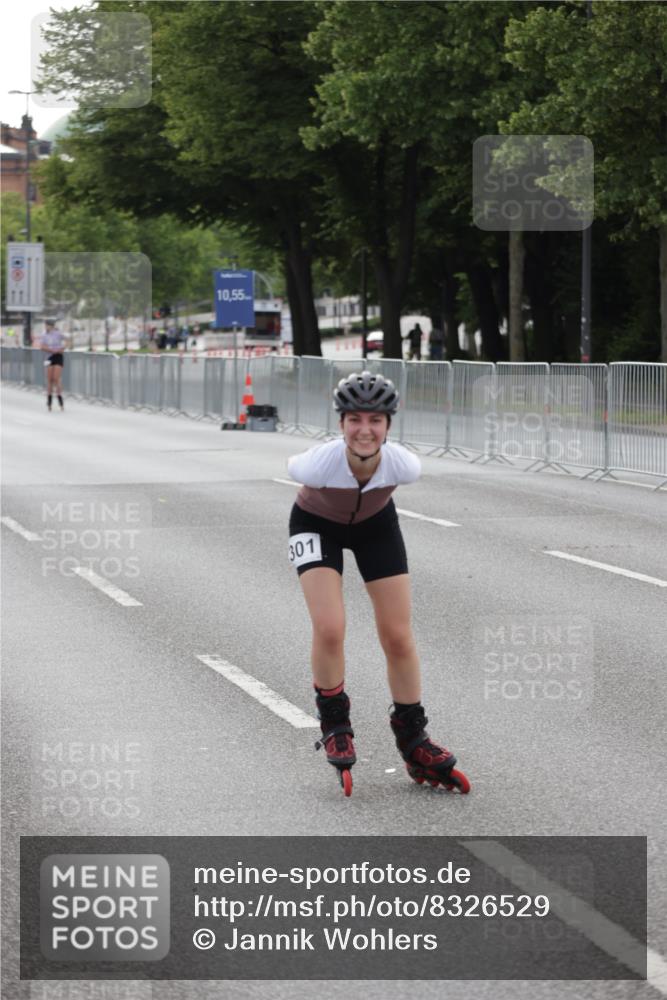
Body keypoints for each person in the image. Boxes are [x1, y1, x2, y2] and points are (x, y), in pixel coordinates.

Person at [287, 370, 469, 797]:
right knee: (330, 627)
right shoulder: (316, 463)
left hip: (375, 527)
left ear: (389, 425)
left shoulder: (403, 465)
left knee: (398, 635)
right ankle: (334, 721)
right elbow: (295, 478)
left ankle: (413, 736)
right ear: (340, 424)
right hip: (315, 525)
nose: (364, 430)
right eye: (354, 420)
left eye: (375, 421)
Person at [40, 319, 67, 411]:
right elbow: (42, 346)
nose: (46, 327)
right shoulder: (44, 335)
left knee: (56, 378)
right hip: (49, 356)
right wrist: (50, 350)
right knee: (50, 379)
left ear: (51, 326)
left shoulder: (58, 333)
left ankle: (60, 398)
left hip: (58, 356)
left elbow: (66, 341)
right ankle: (49, 400)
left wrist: (62, 348)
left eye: (47, 325)